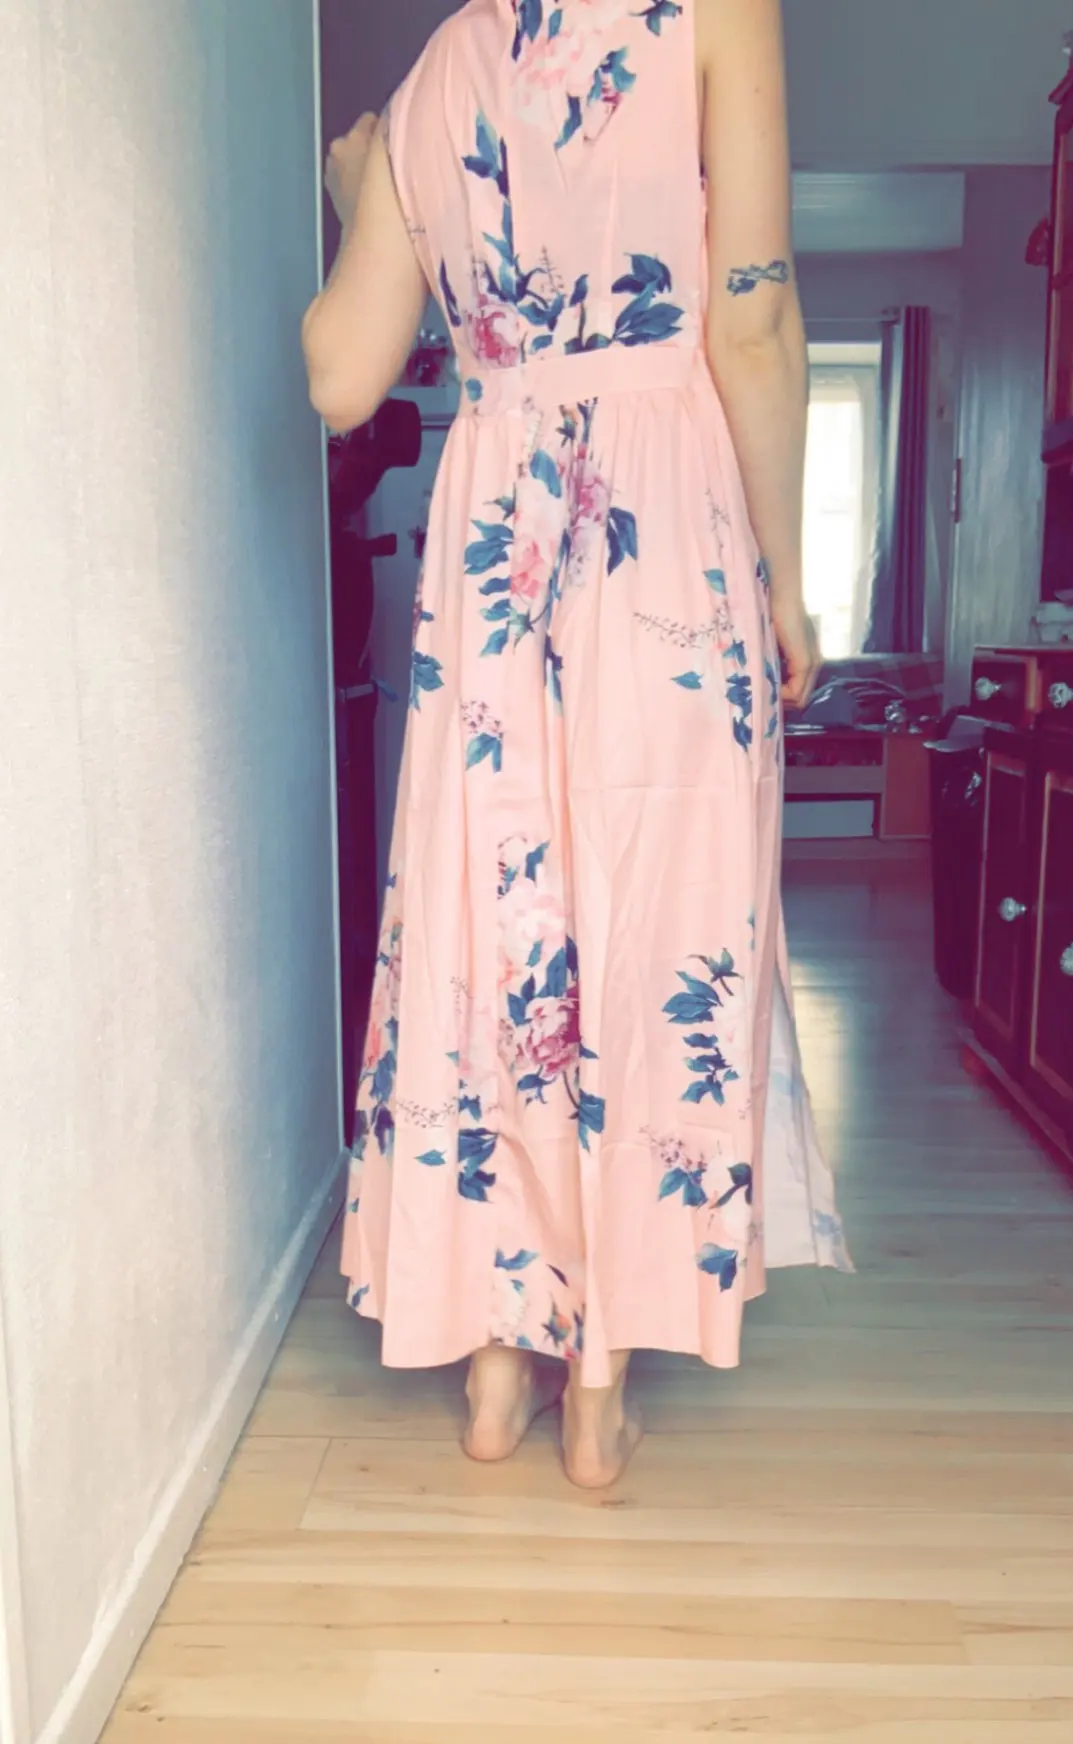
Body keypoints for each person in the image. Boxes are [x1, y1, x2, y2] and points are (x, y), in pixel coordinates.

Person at [302, 0, 849, 1490]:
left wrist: (364, 197)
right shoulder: (719, 14)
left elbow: (341, 376)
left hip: (497, 546)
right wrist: (787, 583)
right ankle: (595, 1391)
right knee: (649, 917)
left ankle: (495, 1371)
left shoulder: (439, 72)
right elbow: (752, 320)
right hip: (665, 537)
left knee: (499, 926)